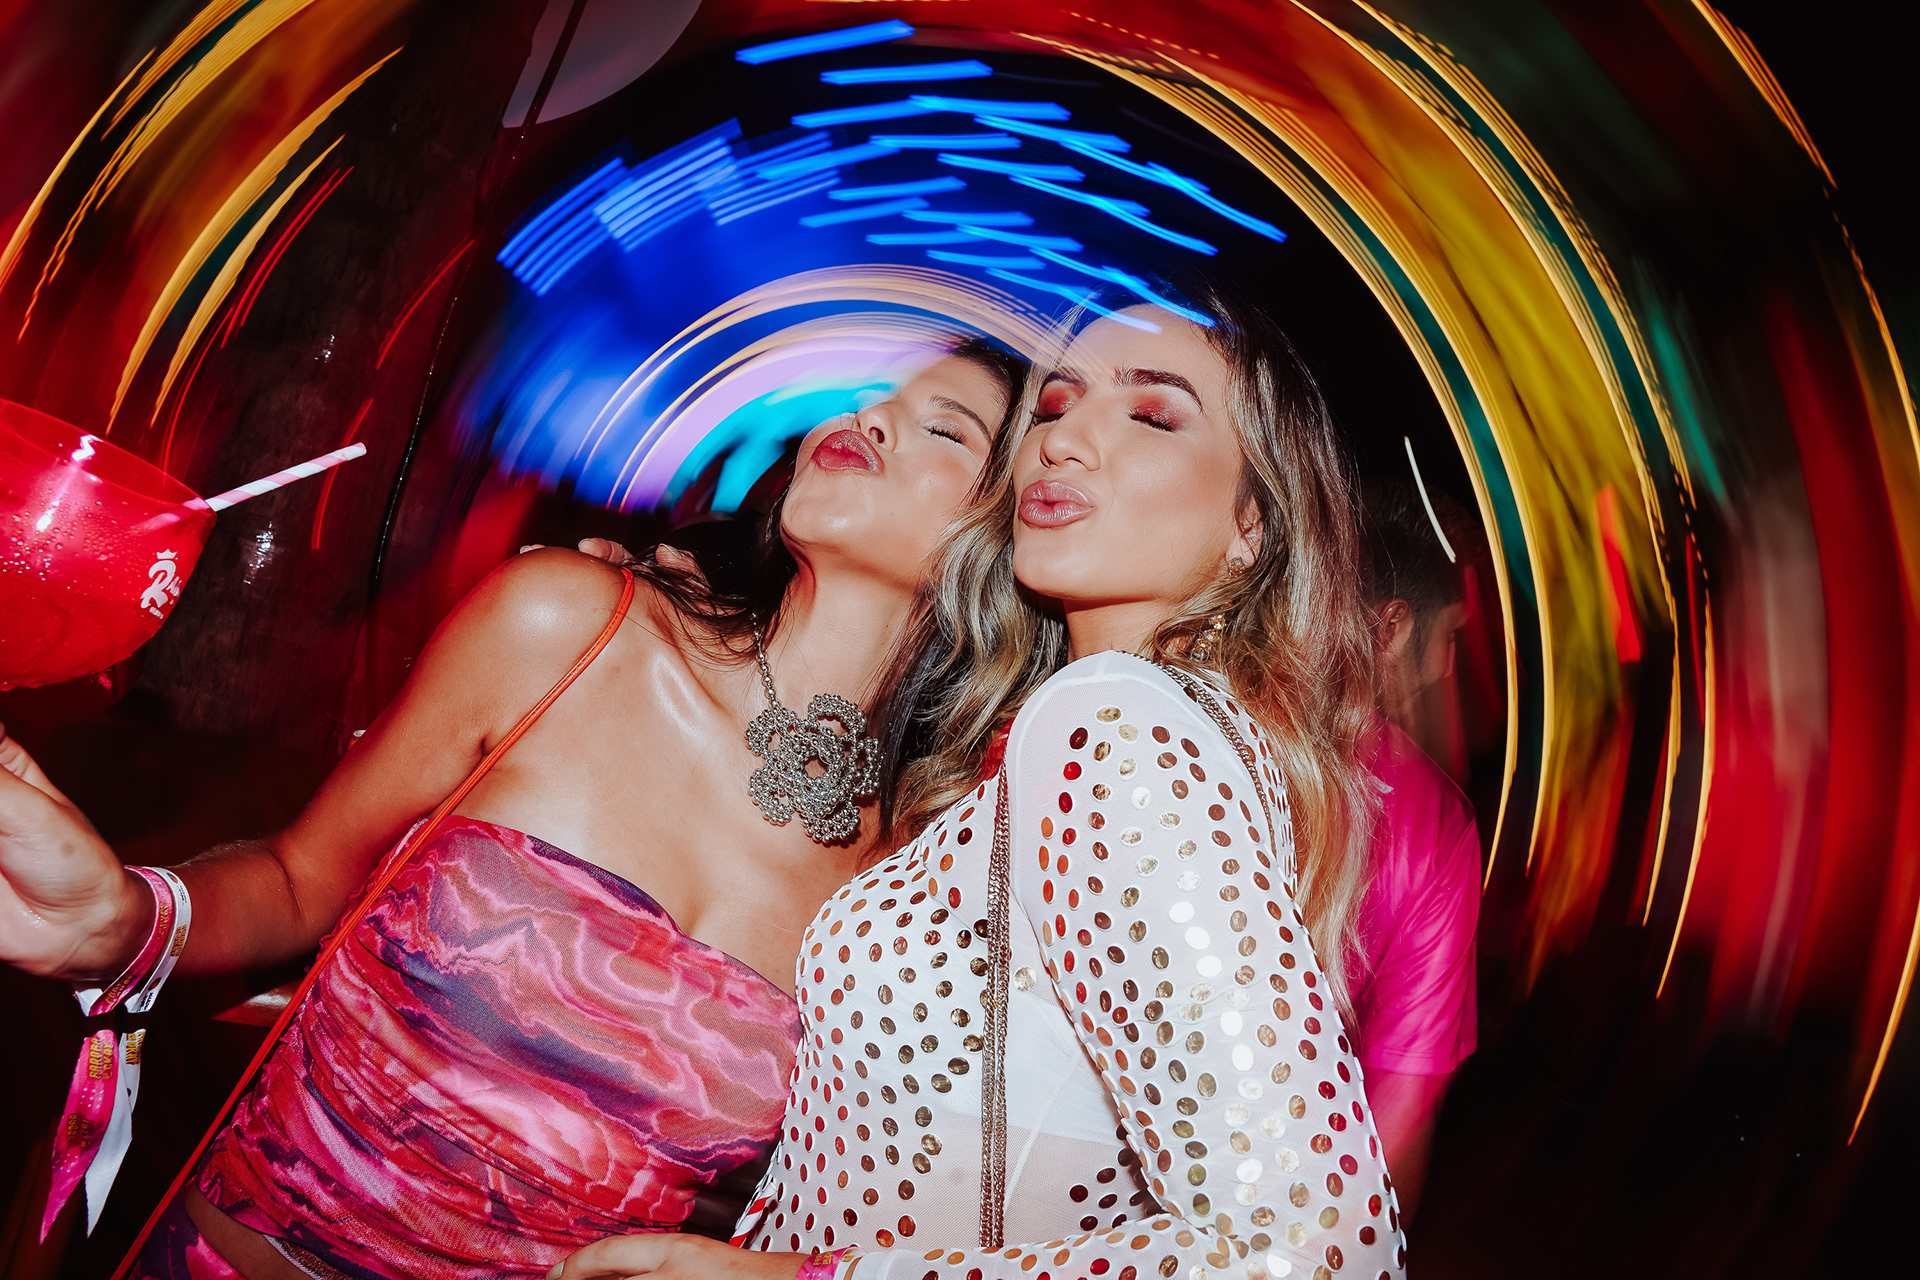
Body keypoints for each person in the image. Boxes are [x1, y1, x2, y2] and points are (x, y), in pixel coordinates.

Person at [0, 338, 1026, 1279]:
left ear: (1014, 536)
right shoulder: (572, 627)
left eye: (945, 428)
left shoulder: (914, 885)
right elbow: (299, 878)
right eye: (882, 396)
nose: (871, 415)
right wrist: (126, 919)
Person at [557, 283, 1406, 1280]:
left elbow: (1319, 1248)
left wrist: (794, 1276)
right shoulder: (1142, 733)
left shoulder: (1115, 720)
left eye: (1150, 414)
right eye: (1056, 406)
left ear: (1250, 523)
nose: (1064, 440)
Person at [1345, 479, 1482, 1218]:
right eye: (1450, 637)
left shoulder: (1178, 711)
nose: (1447, 668)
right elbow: (1394, 1132)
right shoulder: (1434, 825)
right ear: (1393, 626)